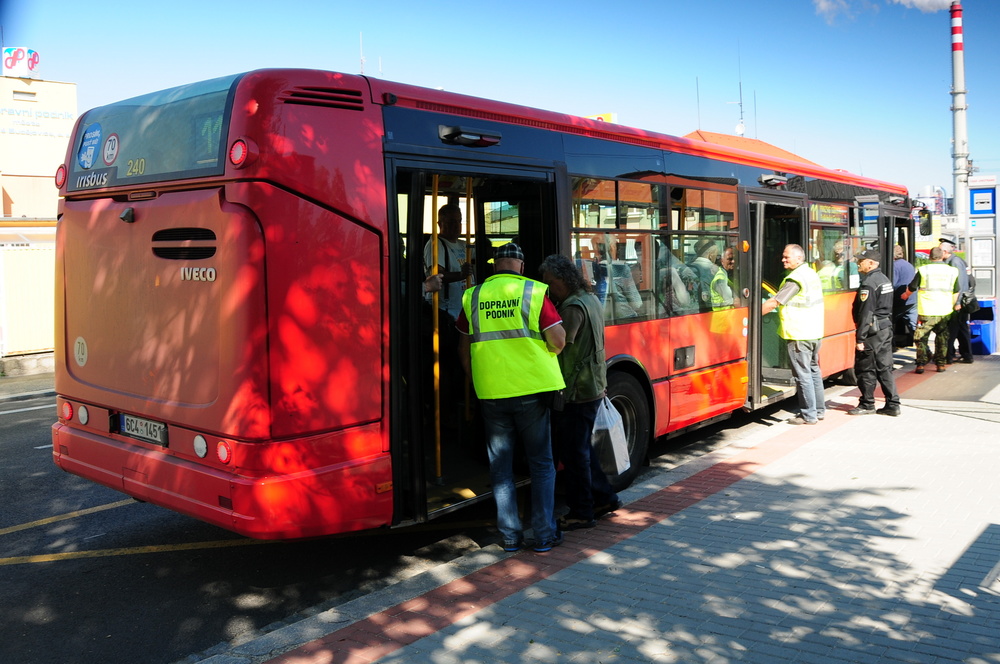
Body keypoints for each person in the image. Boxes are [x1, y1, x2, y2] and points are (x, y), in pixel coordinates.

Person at [457, 242, 566, 553]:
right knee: (541, 464)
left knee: (500, 468)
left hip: (492, 393)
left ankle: (509, 537)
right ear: (521, 266)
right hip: (531, 391)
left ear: (494, 266)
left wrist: (479, 378)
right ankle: (543, 535)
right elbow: (558, 341)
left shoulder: (473, 295)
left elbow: (463, 349)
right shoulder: (534, 291)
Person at [538, 254, 620, 531]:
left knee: (574, 455)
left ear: (563, 279)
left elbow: (559, 344)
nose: (549, 289)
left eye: (550, 283)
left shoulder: (572, 307)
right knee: (581, 448)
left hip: (577, 389)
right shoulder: (590, 298)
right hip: (592, 384)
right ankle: (605, 498)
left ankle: (581, 512)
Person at [761, 244, 826, 425]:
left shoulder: (795, 279)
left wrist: (749, 315)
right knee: (814, 372)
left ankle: (808, 415)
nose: (783, 260)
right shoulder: (810, 273)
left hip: (799, 334)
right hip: (814, 332)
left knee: (802, 375)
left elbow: (774, 302)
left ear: (798, 258)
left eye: (786, 257)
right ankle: (819, 411)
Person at [848, 250, 901, 416]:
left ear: (871, 263)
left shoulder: (869, 284)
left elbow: (866, 313)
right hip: (884, 328)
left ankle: (867, 404)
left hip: (872, 332)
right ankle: (893, 404)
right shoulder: (884, 280)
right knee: (884, 368)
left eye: (861, 261)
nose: (858, 263)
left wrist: (860, 338)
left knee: (865, 368)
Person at [905, 246, 960, 374]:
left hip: (926, 310)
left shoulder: (924, 270)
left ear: (930, 257)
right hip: (945, 310)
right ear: (942, 256)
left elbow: (912, 287)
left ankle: (921, 364)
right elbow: (956, 291)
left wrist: (905, 295)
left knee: (921, 338)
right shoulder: (952, 271)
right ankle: (940, 364)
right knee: (942, 338)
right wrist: (952, 305)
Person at [423, 204, 474, 321]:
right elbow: (437, 276)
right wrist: (461, 275)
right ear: (440, 224)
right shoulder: (436, 244)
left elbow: (484, 253)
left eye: (459, 221)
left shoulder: (463, 244)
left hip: (462, 308)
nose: (456, 225)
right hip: (445, 311)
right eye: (451, 222)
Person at [939, 237, 973, 364]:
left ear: (945, 252)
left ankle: (950, 355)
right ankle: (965, 354)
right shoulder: (953, 261)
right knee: (960, 329)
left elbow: (961, 283)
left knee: (953, 329)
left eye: (940, 250)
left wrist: (957, 302)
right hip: (957, 301)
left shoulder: (954, 262)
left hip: (957, 302)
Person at [891, 244, 916, 348]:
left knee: (888, 323)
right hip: (912, 300)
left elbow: (892, 284)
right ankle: (924, 350)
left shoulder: (894, 266)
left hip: (899, 301)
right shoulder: (909, 265)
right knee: (914, 327)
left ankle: (890, 346)